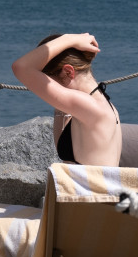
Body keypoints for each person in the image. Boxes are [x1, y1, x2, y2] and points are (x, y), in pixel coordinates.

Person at [11, 33, 121, 166]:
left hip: (86, 181)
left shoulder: (87, 105)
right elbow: (65, 150)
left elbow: (21, 67)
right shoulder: (101, 104)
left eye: (47, 79)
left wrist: (69, 39)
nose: (48, 86)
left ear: (68, 72)